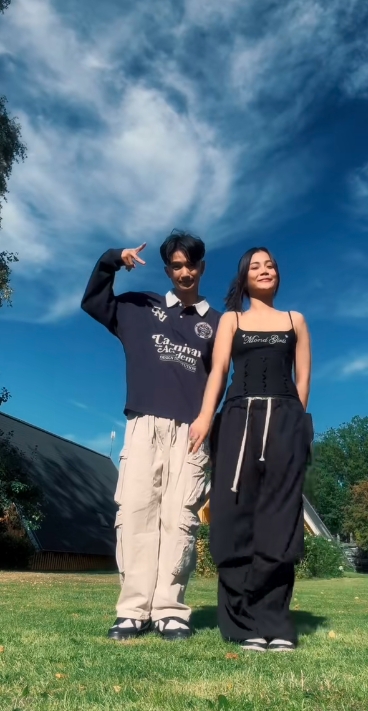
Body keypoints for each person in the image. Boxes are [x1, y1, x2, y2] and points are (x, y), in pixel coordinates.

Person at [81, 230, 220, 641]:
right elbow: (94, 301)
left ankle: (170, 611)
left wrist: (209, 420)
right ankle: (133, 611)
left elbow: (222, 377)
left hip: (192, 431)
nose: (184, 272)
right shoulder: (140, 306)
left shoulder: (217, 323)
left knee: (180, 519)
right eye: (177, 265)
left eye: (191, 264)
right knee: (136, 513)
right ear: (167, 270)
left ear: (202, 267)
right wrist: (112, 260)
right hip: (143, 424)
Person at [189, 247, 311, 652]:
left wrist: (295, 426)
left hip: (284, 421)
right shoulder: (232, 320)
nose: (264, 270)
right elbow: (219, 371)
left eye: (270, 265)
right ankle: (243, 624)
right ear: (244, 278)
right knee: (233, 518)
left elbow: (302, 380)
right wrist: (205, 417)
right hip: (238, 420)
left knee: (280, 521)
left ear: (277, 275)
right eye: (255, 266)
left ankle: (274, 620)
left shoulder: (295, 320)